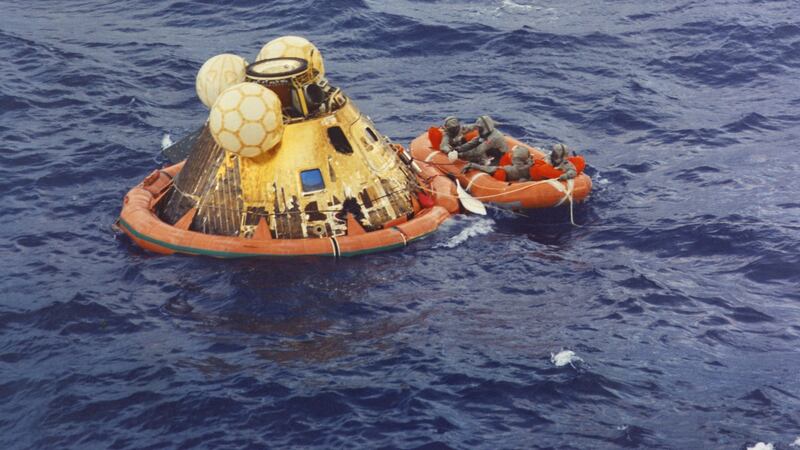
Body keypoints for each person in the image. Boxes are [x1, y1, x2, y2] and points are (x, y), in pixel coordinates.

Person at [462, 145, 533, 181]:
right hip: (518, 172)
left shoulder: (510, 170)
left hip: (498, 168)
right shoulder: (531, 165)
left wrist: (473, 165)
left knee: (499, 172)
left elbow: (490, 169)